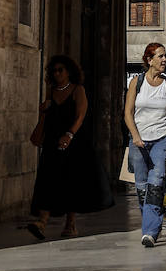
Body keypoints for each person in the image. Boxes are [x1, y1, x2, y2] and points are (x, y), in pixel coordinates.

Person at [27, 54, 113, 240]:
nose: (57, 74)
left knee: (70, 183)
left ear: (69, 72)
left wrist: (69, 135)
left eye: (61, 70)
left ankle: (70, 224)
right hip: (52, 142)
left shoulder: (77, 90)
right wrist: (43, 112)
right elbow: (47, 116)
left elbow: (81, 115)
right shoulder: (51, 92)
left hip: (73, 143)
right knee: (47, 180)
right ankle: (42, 222)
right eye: (54, 71)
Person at [124, 41, 166, 248]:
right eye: (160, 56)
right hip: (139, 140)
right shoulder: (136, 82)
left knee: (157, 182)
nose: (164, 60)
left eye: (165, 56)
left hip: (162, 138)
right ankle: (153, 223)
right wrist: (135, 136)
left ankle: (150, 231)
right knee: (142, 187)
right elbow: (127, 113)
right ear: (149, 60)